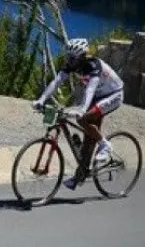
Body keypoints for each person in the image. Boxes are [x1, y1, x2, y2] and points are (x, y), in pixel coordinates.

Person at [32, 37, 125, 190]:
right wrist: (41, 100)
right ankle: (79, 176)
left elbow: (90, 89)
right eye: (68, 57)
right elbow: (56, 82)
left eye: (72, 58)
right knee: (88, 141)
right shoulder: (72, 65)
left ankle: (105, 145)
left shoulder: (93, 65)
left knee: (83, 120)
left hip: (113, 95)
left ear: (81, 57)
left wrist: (82, 109)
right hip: (99, 97)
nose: (69, 60)